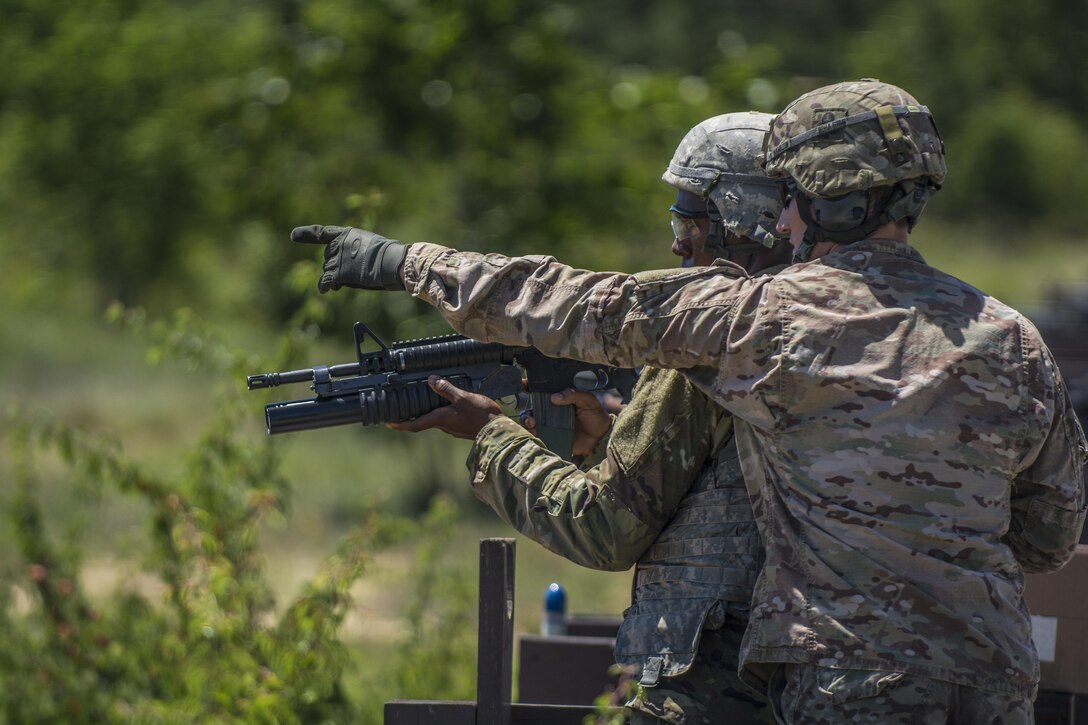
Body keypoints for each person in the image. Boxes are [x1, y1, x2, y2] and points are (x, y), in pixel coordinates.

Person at [291, 80, 1087, 723]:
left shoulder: (764, 319)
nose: (782, 216)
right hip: (996, 680)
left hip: (849, 682)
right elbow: (1052, 533)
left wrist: (404, 261)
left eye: (794, 197)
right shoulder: (1012, 337)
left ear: (832, 205)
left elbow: (574, 304)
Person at [393, 112, 789, 725]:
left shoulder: (717, 340)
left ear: (748, 221)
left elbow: (603, 528)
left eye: (691, 222)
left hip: (721, 692)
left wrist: (491, 436)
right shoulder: (862, 325)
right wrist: (615, 437)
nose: (677, 244)